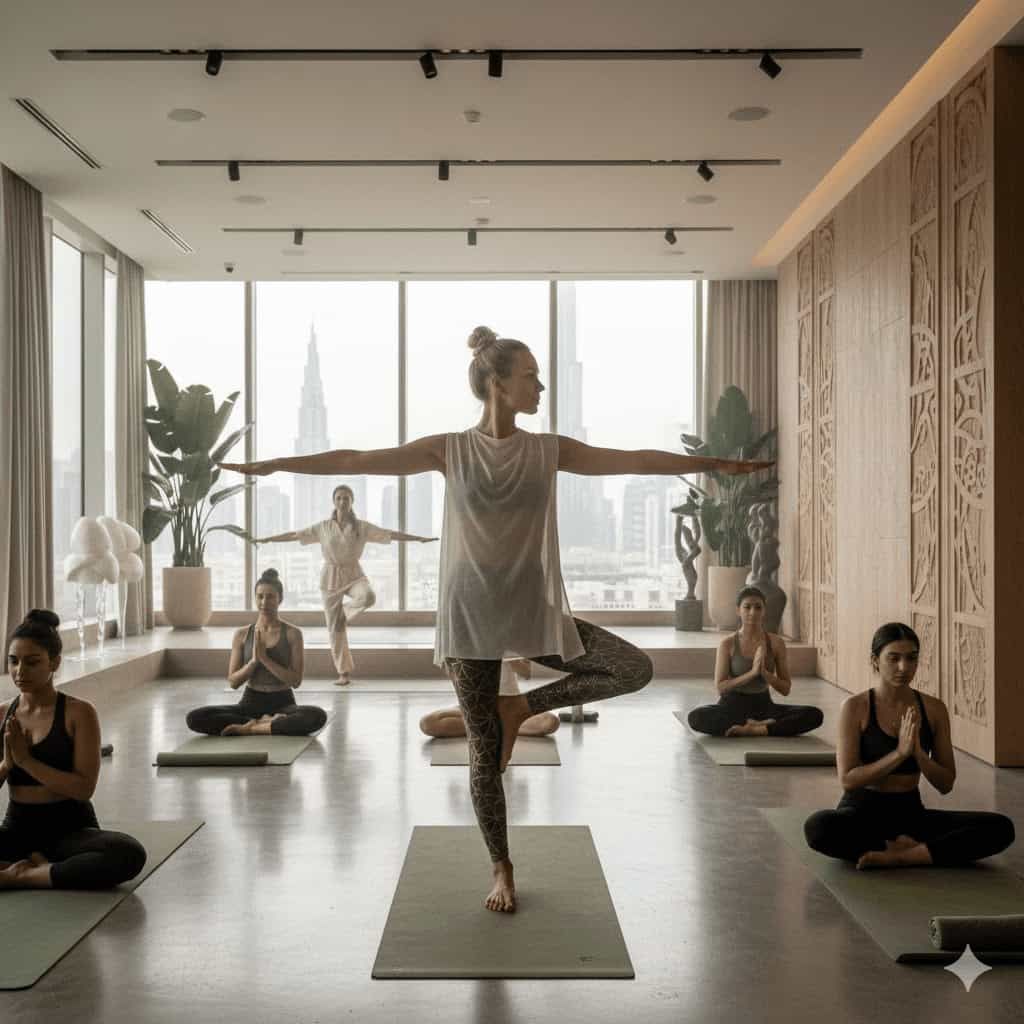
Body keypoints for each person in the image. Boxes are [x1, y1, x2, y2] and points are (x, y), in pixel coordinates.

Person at [222, 324, 769, 912]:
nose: (541, 387)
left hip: (531, 608)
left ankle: (521, 708)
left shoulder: (548, 449)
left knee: (631, 668)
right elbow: (358, 459)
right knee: (485, 753)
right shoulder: (449, 449)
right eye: (531, 376)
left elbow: (631, 458)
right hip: (468, 615)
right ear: (497, 384)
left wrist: (713, 464)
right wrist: (277, 464)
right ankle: (502, 866)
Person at [804, 622, 1014, 869]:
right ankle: (919, 851)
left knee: (1001, 827)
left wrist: (918, 754)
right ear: (875, 661)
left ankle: (902, 855)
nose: (903, 667)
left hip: (911, 814)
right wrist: (899, 753)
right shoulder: (855, 707)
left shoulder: (934, 709)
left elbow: (946, 784)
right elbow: (848, 780)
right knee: (818, 827)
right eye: (893, 658)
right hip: (861, 813)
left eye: (911, 658)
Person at [0, 610, 146, 890]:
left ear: (54, 662)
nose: (20, 671)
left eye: (32, 662)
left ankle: (20, 875)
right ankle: (46, 869)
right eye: (13, 661)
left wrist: (26, 761)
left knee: (128, 854)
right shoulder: (3, 714)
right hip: (17, 828)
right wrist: (7, 765)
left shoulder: (79, 713)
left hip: (70, 830)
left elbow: (83, 789)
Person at [254, 484, 436, 685]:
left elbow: (389, 534)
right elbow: (294, 535)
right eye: (339, 498)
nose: (342, 501)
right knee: (335, 631)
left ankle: (344, 615)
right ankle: (343, 673)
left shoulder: (361, 527)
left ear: (352, 502)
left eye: (346, 498)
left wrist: (418, 539)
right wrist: (269, 539)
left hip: (354, 574)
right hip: (330, 578)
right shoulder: (323, 527)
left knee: (368, 596)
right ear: (334, 501)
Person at [185, 569, 327, 737]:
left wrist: (265, 659)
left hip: (283, 703)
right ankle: (268, 724)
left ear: (280, 599)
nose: (264, 602)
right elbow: (233, 682)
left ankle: (251, 728)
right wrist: (253, 662)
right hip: (250, 702)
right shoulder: (242, 634)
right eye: (260, 596)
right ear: (255, 598)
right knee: (195, 718)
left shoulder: (293, 634)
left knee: (316, 716)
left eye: (270, 597)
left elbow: (295, 681)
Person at [687, 586, 823, 738]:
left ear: (764, 611)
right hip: (731, 706)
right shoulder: (728, 644)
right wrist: (752, 674)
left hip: (764, 706)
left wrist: (765, 674)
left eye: (758, 607)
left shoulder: (776, 643)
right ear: (738, 610)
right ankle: (766, 726)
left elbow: (785, 689)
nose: (753, 612)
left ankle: (757, 729)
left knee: (814, 715)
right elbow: (720, 687)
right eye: (747, 607)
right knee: (696, 717)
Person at [420, 659, 559, 739]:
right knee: (428, 723)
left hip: (510, 706)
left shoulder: (511, 633)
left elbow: (526, 673)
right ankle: (498, 726)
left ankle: (483, 726)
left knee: (550, 722)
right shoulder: (465, 634)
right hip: (474, 708)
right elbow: (451, 670)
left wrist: (504, 650)